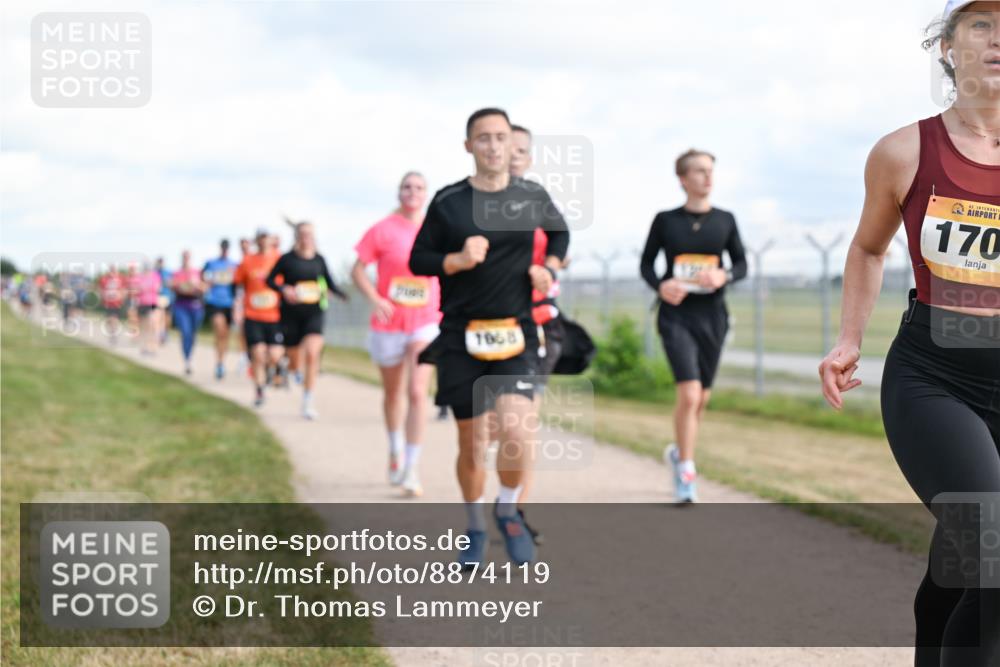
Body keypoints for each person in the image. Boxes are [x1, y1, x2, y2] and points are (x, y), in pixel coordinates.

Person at [819, 2, 1000, 664]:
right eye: (981, 24)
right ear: (947, 47)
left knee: (964, 569)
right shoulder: (903, 151)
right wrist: (849, 339)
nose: (999, 39)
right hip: (935, 378)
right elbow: (869, 249)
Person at [410, 107, 569, 568]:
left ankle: (509, 509)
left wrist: (548, 268)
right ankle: (475, 526)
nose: (495, 146)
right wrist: (456, 260)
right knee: (473, 443)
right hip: (461, 336)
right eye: (484, 138)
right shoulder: (449, 201)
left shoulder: (530, 194)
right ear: (469, 146)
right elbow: (419, 259)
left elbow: (560, 234)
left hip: (515, 331)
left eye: (501, 137)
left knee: (517, 432)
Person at [639, 148, 747, 503]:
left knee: (701, 398)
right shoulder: (665, 220)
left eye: (711, 170)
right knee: (688, 394)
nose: (708, 176)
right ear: (683, 179)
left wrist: (723, 275)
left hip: (713, 317)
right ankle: (686, 471)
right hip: (676, 315)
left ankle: (678, 453)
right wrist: (661, 286)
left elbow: (742, 265)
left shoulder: (725, 220)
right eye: (700, 171)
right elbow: (646, 265)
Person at [352, 171, 441, 497]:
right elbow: (357, 269)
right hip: (389, 323)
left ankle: (411, 469)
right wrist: (376, 299)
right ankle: (395, 449)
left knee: (417, 391)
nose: (412, 191)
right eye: (407, 187)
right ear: (399, 193)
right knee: (393, 394)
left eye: (419, 187)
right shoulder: (383, 229)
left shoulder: (438, 229)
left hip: (425, 320)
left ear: (426, 194)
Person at [266, 221, 348, 420]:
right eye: (303, 234)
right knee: (294, 360)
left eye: (310, 234)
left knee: (312, 353)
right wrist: (284, 289)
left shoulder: (319, 260)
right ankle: (292, 369)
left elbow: (329, 282)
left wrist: (341, 294)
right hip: (291, 315)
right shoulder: (287, 259)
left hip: (314, 313)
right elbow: (270, 280)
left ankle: (308, 400)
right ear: (297, 236)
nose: (306, 238)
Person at [234, 229, 285, 407]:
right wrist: (238, 308)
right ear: (256, 241)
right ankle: (259, 390)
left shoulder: (279, 259)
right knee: (257, 353)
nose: (263, 242)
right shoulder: (247, 261)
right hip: (253, 315)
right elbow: (238, 286)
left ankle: (273, 370)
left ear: (271, 241)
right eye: (260, 239)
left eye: (266, 238)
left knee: (274, 355)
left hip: (274, 316)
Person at [203, 239, 239, 379]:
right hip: (214, 301)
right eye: (223, 247)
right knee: (219, 328)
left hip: (229, 303)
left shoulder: (234, 265)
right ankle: (218, 361)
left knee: (225, 335)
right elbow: (203, 278)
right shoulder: (211, 263)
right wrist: (207, 283)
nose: (225, 249)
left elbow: (238, 284)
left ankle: (221, 362)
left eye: (226, 247)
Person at [170, 250, 206, 375]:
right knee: (185, 332)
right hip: (181, 305)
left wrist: (196, 285)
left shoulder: (196, 272)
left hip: (195, 306)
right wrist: (180, 285)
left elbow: (204, 287)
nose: (186, 259)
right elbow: (171, 285)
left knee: (192, 334)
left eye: (187, 257)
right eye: (184, 257)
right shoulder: (177, 273)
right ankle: (187, 360)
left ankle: (190, 355)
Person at [134, 263, 162, 355]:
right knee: (144, 326)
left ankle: (153, 347)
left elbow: (158, 288)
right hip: (142, 303)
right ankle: (144, 346)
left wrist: (145, 288)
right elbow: (136, 289)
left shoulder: (155, 276)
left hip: (153, 303)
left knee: (153, 324)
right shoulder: (140, 277)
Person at [98, 266, 127, 344]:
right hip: (108, 303)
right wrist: (102, 299)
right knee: (109, 320)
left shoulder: (120, 278)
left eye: (113, 271)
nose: (112, 273)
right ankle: (112, 331)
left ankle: (114, 333)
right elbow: (101, 290)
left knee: (114, 318)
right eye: (111, 271)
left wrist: (122, 298)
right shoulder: (104, 279)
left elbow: (123, 290)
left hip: (117, 303)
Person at [154, 257, 173, 345]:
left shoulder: (168, 272)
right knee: (160, 316)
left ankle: (165, 333)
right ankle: (160, 334)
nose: (160, 264)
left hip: (168, 297)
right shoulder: (154, 273)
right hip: (158, 297)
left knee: (167, 317)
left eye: (161, 262)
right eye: (159, 262)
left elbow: (172, 283)